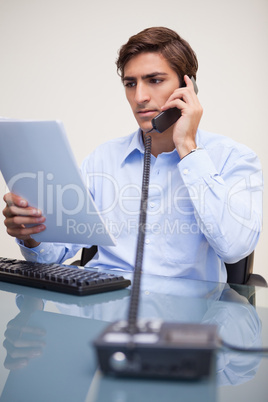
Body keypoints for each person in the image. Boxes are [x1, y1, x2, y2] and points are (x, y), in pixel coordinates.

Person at [2, 27, 263, 282]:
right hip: (102, 309)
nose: (139, 97)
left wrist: (187, 147)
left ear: (188, 87)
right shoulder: (102, 159)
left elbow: (235, 249)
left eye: (155, 80)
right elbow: (51, 258)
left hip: (189, 318)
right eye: (130, 83)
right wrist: (31, 235)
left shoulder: (234, 158)